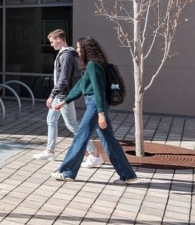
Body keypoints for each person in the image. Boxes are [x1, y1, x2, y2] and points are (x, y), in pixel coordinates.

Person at [51, 36, 138, 184]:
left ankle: (67, 172)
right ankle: (128, 175)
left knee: (81, 137)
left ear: (86, 49)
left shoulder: (93, 65)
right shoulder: (91, 65)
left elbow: (98, 91)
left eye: (79, 48)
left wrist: (101, 114)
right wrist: (66, 101)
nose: (77, 50)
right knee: (109, 140)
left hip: (95, 105)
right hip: (96, 104)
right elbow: (80, 85)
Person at [33, 29, 81, 161]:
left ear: (59, 40)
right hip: (62, 95)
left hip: (63, 96)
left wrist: (52, 95)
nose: (51, 44)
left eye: (52, 41)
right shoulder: (67, 53)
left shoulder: (66, 55)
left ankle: (93, 154)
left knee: (72, 124)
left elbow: (64, 79)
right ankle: (50, 151)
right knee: (51, 120)